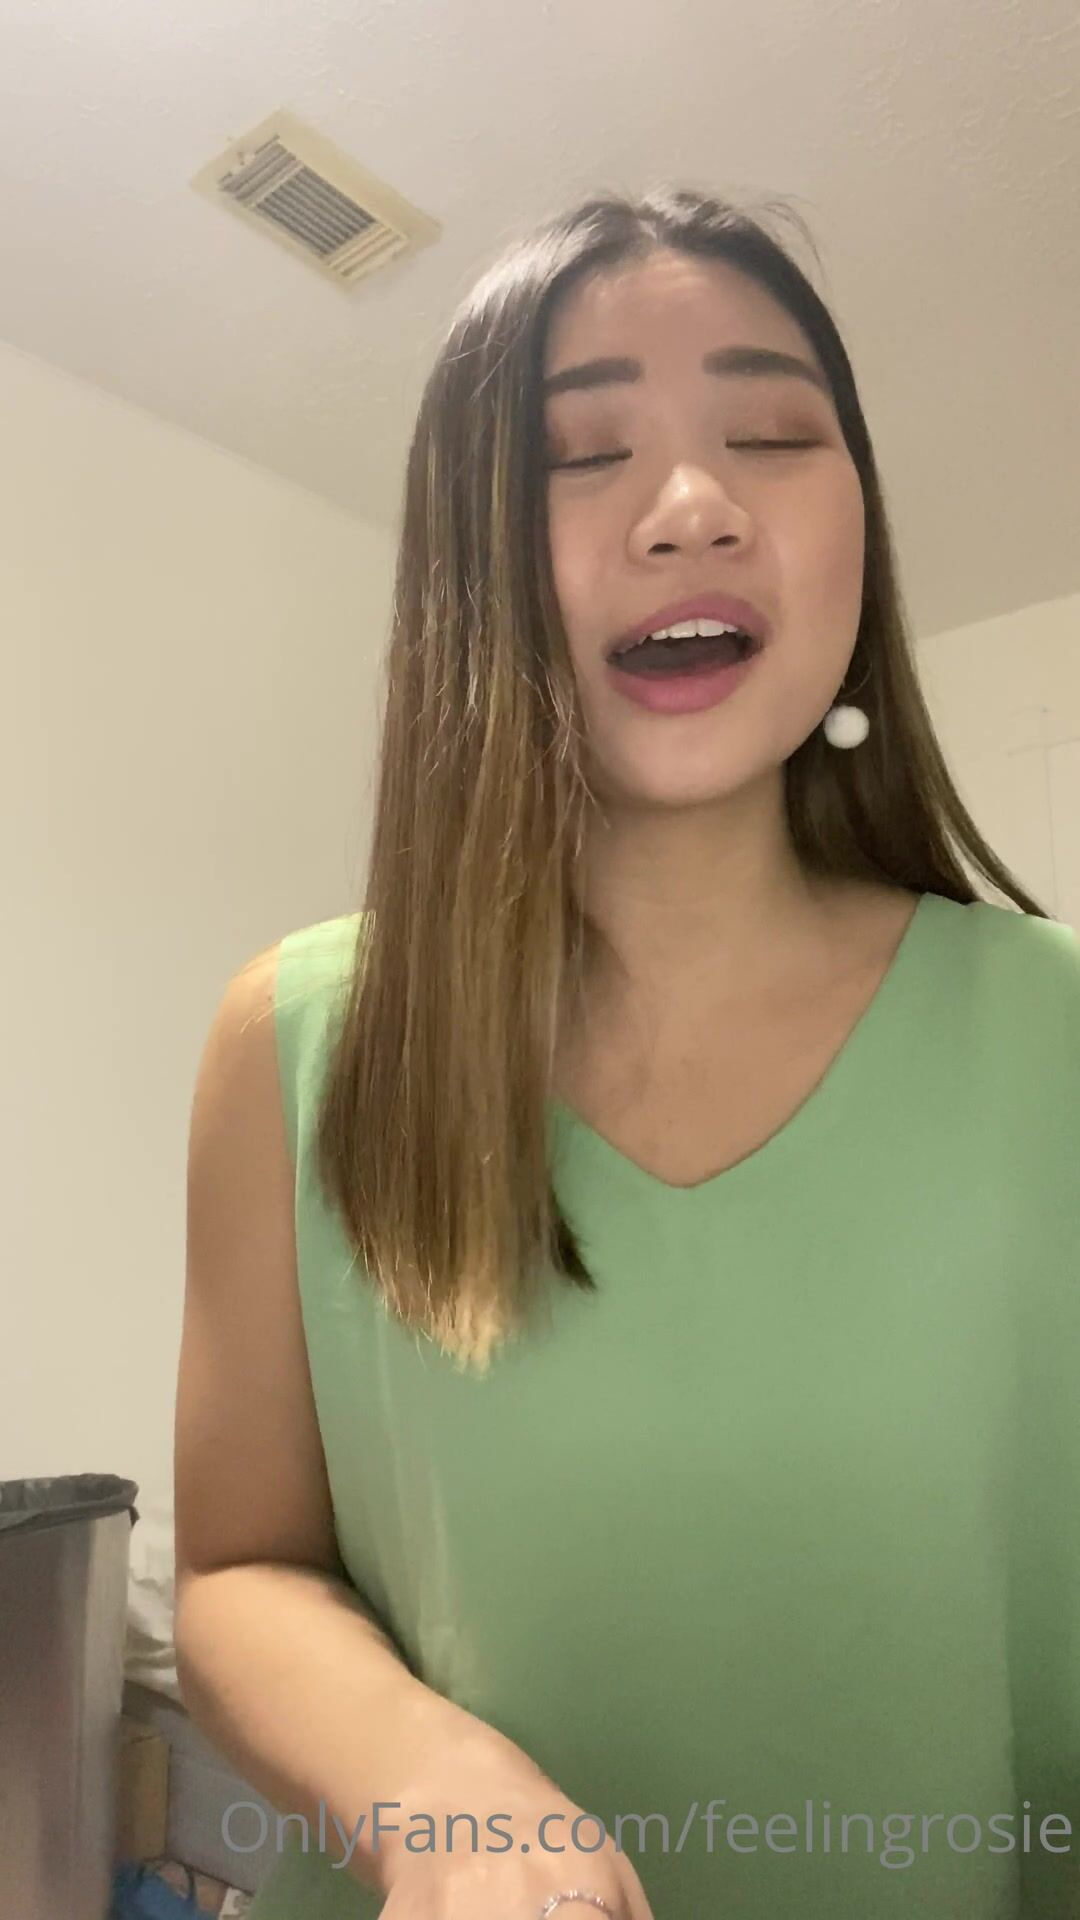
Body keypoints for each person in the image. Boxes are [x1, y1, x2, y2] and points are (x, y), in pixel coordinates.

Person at [173, 186, 1080, 1920]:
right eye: (581, 456)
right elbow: (233, 1572)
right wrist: (428, 1786)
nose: (692, 507)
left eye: (772, 435)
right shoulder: (288, 1044)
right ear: (466, 567)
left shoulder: (1059, 1034)